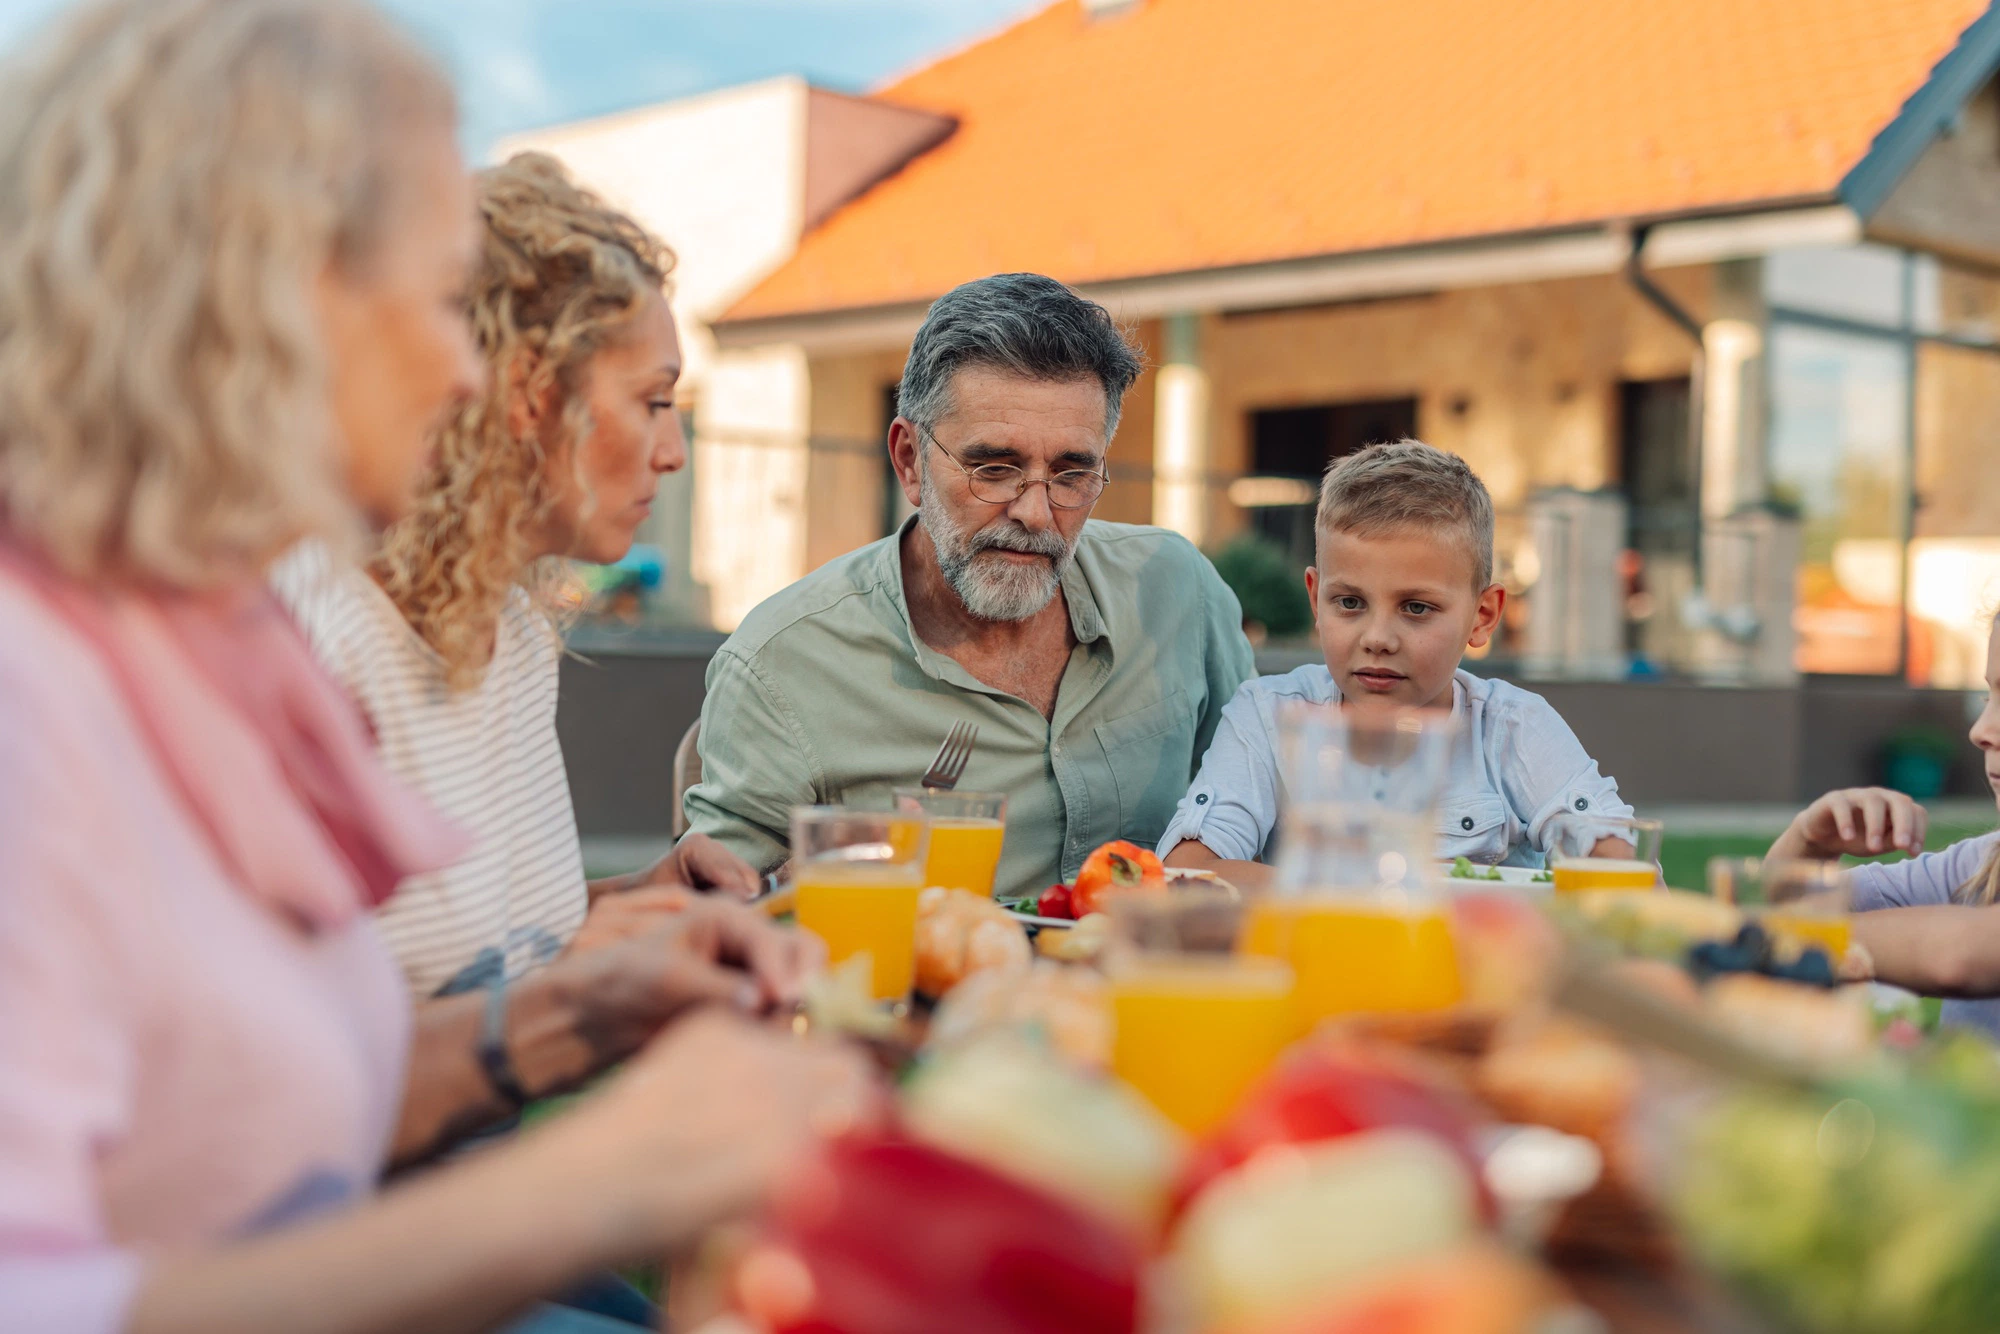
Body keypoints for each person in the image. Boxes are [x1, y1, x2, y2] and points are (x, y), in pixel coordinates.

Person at [0, 4, 869, 1333]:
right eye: (431, 297)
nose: (469, 369)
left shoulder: (200, 644)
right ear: (264, 294)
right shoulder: (37, 696)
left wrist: (573, 1008)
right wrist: (598, 1178)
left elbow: (270, 1113)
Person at [273, 155, 811, 1178]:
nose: (674, 452)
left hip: (464, 1206)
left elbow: (475, 960)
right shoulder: (309, 647)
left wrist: (642, 901)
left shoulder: (515, 635)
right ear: (527, 396)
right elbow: (251, 1116)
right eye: (653, 401)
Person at [685, 272, 1256, 899]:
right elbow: (714, 910)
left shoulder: (1174, 590)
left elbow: (1259, 798)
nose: (1035, 514)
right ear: (909, 460)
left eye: (1071, 474)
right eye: (995, 468)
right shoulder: (783, 665)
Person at [1160, 440, 1636, 891]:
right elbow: (1188, 871)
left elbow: (1622, 871)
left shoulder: (1512, 729)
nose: (1378, 639)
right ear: (1315, 598)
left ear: (1482, 616)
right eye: (1349, 602)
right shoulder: (1269, 718)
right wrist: (1373, 895)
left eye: (1415, 608)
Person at [1764, 615, 2000, 1036]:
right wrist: (1810, 845)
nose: (1980, 731)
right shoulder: (1983, 866)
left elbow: (1959, 955)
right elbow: (1774, 912)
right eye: (1988, 698)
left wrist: (1793, 934)